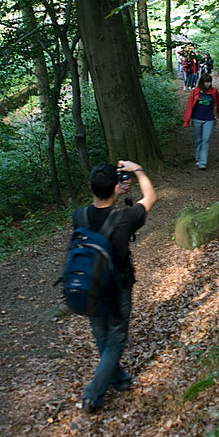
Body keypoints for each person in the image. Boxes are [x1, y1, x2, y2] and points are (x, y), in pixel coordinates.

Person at [74, 160, 157, 414]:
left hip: (90, 285)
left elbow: (99, 218)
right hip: (118, 286)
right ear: (114, 186)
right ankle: (92, 394)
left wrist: (113, 193)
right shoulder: (124, 218)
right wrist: (138, 169)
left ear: (90, 186)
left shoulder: (79, 216)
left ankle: (119, 379)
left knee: (102, 336)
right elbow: (150, 197)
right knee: (116, 338)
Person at [183, 71, 219, 170]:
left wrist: (217, 115)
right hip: (197, 119)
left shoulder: (214, 91)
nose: (208, 84)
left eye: (209, 82)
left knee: (205, 140)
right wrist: (187, 120)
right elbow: (189, 105)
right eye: (206, 82)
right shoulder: (195, 91)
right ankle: (198, 158)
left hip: (209, 119)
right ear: (202, 82)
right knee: (198, 140)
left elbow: (217, 103)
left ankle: (203, 162)